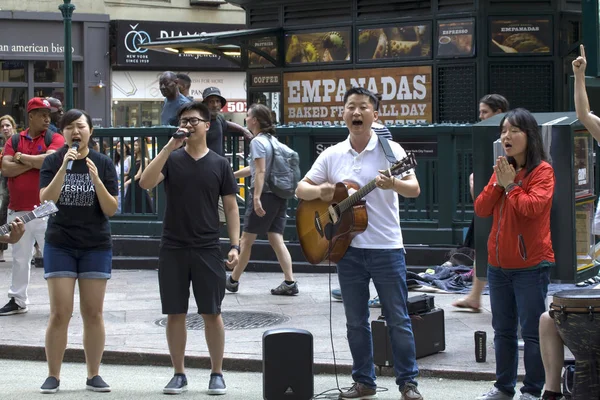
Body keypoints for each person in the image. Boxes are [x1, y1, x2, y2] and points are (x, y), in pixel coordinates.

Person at [296, 87, 423, 400]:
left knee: (398, 319)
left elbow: (414, 189)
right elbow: (301, 189)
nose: (356, 112)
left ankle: (408, 383)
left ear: (375, 115)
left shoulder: (390, 150)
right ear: (343, 114)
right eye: (350, 107)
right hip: (347, 249)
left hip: (387, 248)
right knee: (355, 321)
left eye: (363, 107)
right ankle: (364, 382)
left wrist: (393, 182)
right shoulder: (332, 154)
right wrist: (322, 192)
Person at [139, 101, 240, 395]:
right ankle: (179, 372)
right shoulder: (172, 159)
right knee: (175, 313)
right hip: (173, 246)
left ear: (208, 125)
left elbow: (231, 209)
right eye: (184, 120)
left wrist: (234, 245)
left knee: (212, 312)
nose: (188, 124)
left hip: (208, 246)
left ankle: (217, 372)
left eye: (194, 120)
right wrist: (170, 146)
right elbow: (145, 182)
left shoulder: (220, 164)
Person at [474, 108, 555, 400]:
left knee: (531, 332)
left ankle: (532, 390)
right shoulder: (503, 170)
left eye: (514, 131)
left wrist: (510, 185)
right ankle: (503, 387)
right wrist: (499, 182)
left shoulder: (543, 171)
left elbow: (532, 208)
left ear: (529, 136)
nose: (506, 136)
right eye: (503, 131)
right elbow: (482, 208)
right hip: (498, 266)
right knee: (502, 331)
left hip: (530, 266)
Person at [37, 109, 119, 394]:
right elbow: (46, 201)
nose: (76, 131)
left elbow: (111, 209)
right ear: (64, 134)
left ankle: (93, 374)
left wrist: (96, 181)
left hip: (95, 244)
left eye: (81, 126)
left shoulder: (104, 163)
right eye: (70, 127)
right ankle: (53, 375)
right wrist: (63, 168)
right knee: (60, 313)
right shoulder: (52, 161)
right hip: (60, 243)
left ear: (90, 131)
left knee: (93, 313)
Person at [0, 98, 65, 316]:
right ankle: (17, 300)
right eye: (42, 113)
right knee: (19, 257)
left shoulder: (54, 137)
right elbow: (6, 169)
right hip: (18, 209)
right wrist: (33, 161)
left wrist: (20, 158)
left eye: (49, 113)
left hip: (46, 209)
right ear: (30, 116)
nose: (48, 117)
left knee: (54, 256)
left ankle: (61, 303)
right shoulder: (16, 139)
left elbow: (50, 161)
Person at [227, 104, 297, 296]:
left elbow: (260, 171)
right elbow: (254, 168)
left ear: (255, 120)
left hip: (264, 195)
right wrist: (233, 174)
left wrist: (256, 198)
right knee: (276, 238)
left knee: (246, 239)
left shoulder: (257, 142)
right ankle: (290, 282)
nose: (246, 119)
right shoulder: (272, 141)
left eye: (248, 116)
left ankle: (233, 280)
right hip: (279, 194)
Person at [453, 94, 510, 311]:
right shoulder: (487, 134)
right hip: (489, 198)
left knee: (490, 246)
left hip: (504, 199)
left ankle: (478, 296)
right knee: (483, 245)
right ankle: (475, 296)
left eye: (485, 112)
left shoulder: (506, 134)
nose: (481, 116)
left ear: (498, 113)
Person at [202, 86, 254, 225]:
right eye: (211, 101)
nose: (215, 104)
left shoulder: (218, 119)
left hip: (219, 172)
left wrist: (243, 130)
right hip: (205, 172)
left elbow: (227, 124)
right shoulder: (200, 121)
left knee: (223, 211)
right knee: (220, 215)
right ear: (205, 104)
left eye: (217, 101)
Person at [0, 115, 17, 262]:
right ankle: (1, 250)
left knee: (31, 213)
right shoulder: (2, 147)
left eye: (7, 125)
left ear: (13, 126)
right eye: (2, 126)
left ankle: (37, 250)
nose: (5, 129)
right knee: (3, 214)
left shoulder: (18, 142)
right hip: (5, 182)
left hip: (19, 181)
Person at [123, 138, 153, 214]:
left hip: (139, 187)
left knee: (141, 209)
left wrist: (126, 183)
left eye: (136, 145)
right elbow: (129, 173)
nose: (134, 147)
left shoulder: (144, 160)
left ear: (141, 146)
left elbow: (138, 175)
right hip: (131, 186)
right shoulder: (133, 159)